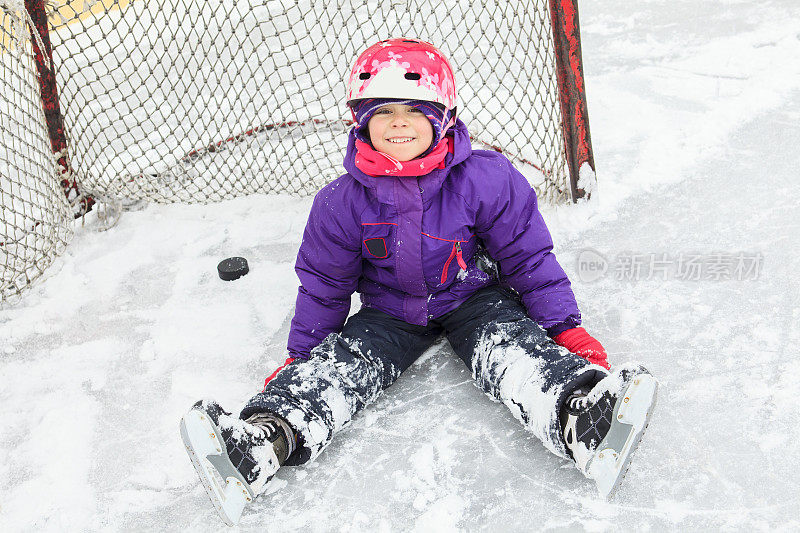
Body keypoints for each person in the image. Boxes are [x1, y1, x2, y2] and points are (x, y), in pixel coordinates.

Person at [179, 38, 658, 526]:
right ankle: (260, 443)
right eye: (382, 111)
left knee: (513, 351)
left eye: (414, 109)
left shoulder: (486, 178)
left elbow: (527, 255)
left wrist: (563, 327)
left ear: (443, 116)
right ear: (361, 122)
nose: (399, 122)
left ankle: (585, 420)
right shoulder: (339, 202)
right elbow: (324, 286)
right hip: (391, 312)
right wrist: (302, 358)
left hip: (473, 296)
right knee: (339, 369)